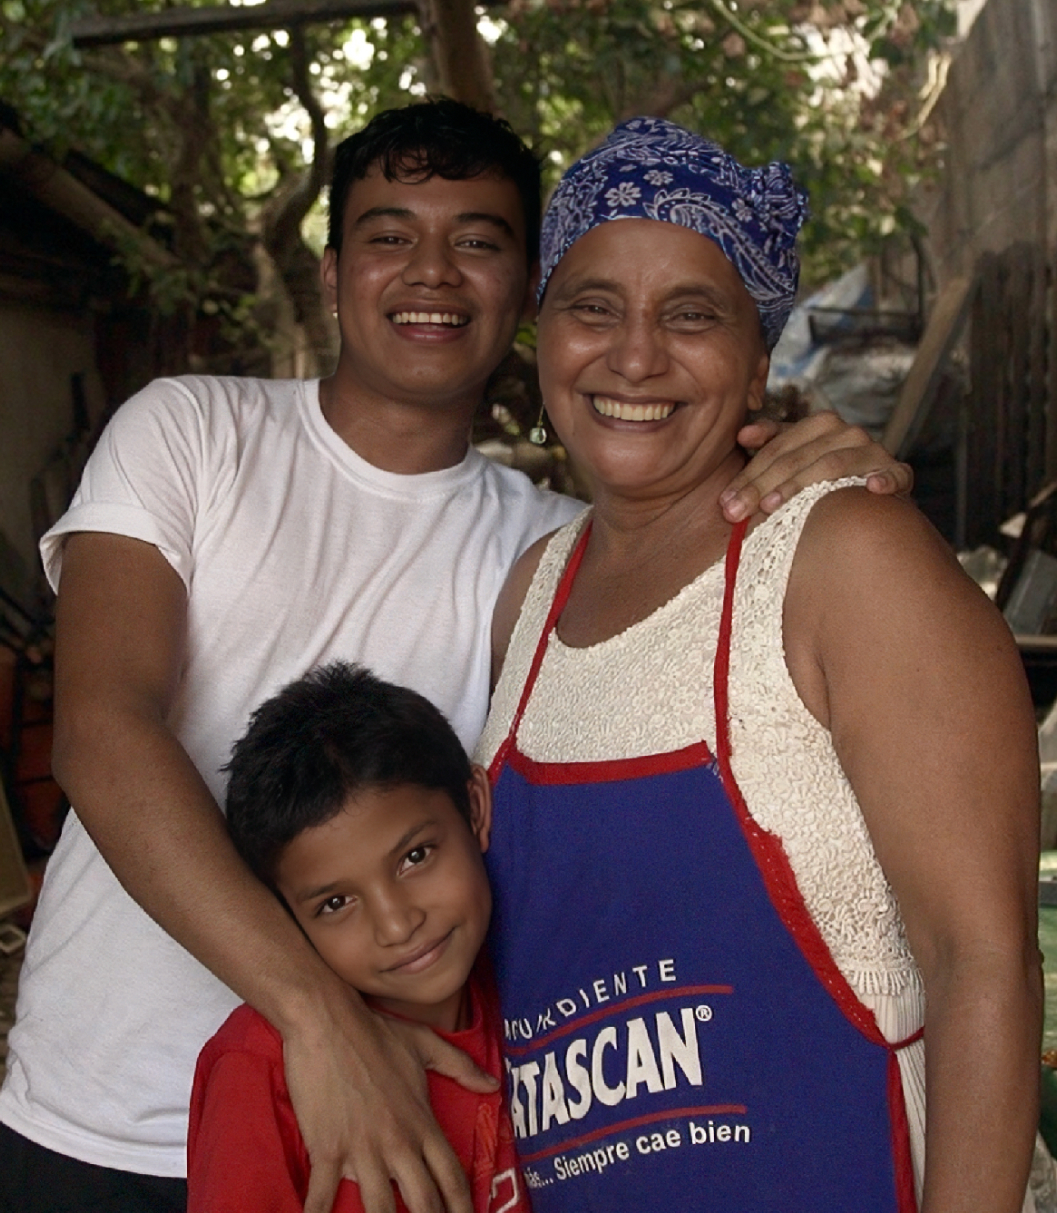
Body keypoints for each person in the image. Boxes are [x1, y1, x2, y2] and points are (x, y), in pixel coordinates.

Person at [0, 99, 912, 1213]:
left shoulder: (550, 557)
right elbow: (101, 733)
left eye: (477, 241)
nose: (431, 273)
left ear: (524, 294)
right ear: (334, 271)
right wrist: (322, 1023)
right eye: (390, 234)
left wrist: (828, 467)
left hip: (396, 1149)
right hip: (100, 1116)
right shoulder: (189, 431)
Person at [479, 116, 1042, 1213]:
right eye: (594, 306)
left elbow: (985, 960)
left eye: (691, 314)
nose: (634, 354)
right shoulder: (531, 593)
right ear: (542, 333)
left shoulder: (842, 559)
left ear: (757, 359)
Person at [188, 661, 523, 1213]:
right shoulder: (262, 1068)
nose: (396, 924)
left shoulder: (532, 986)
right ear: (283, 916)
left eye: (415, 857)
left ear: (476, 809)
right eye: (336, 903)